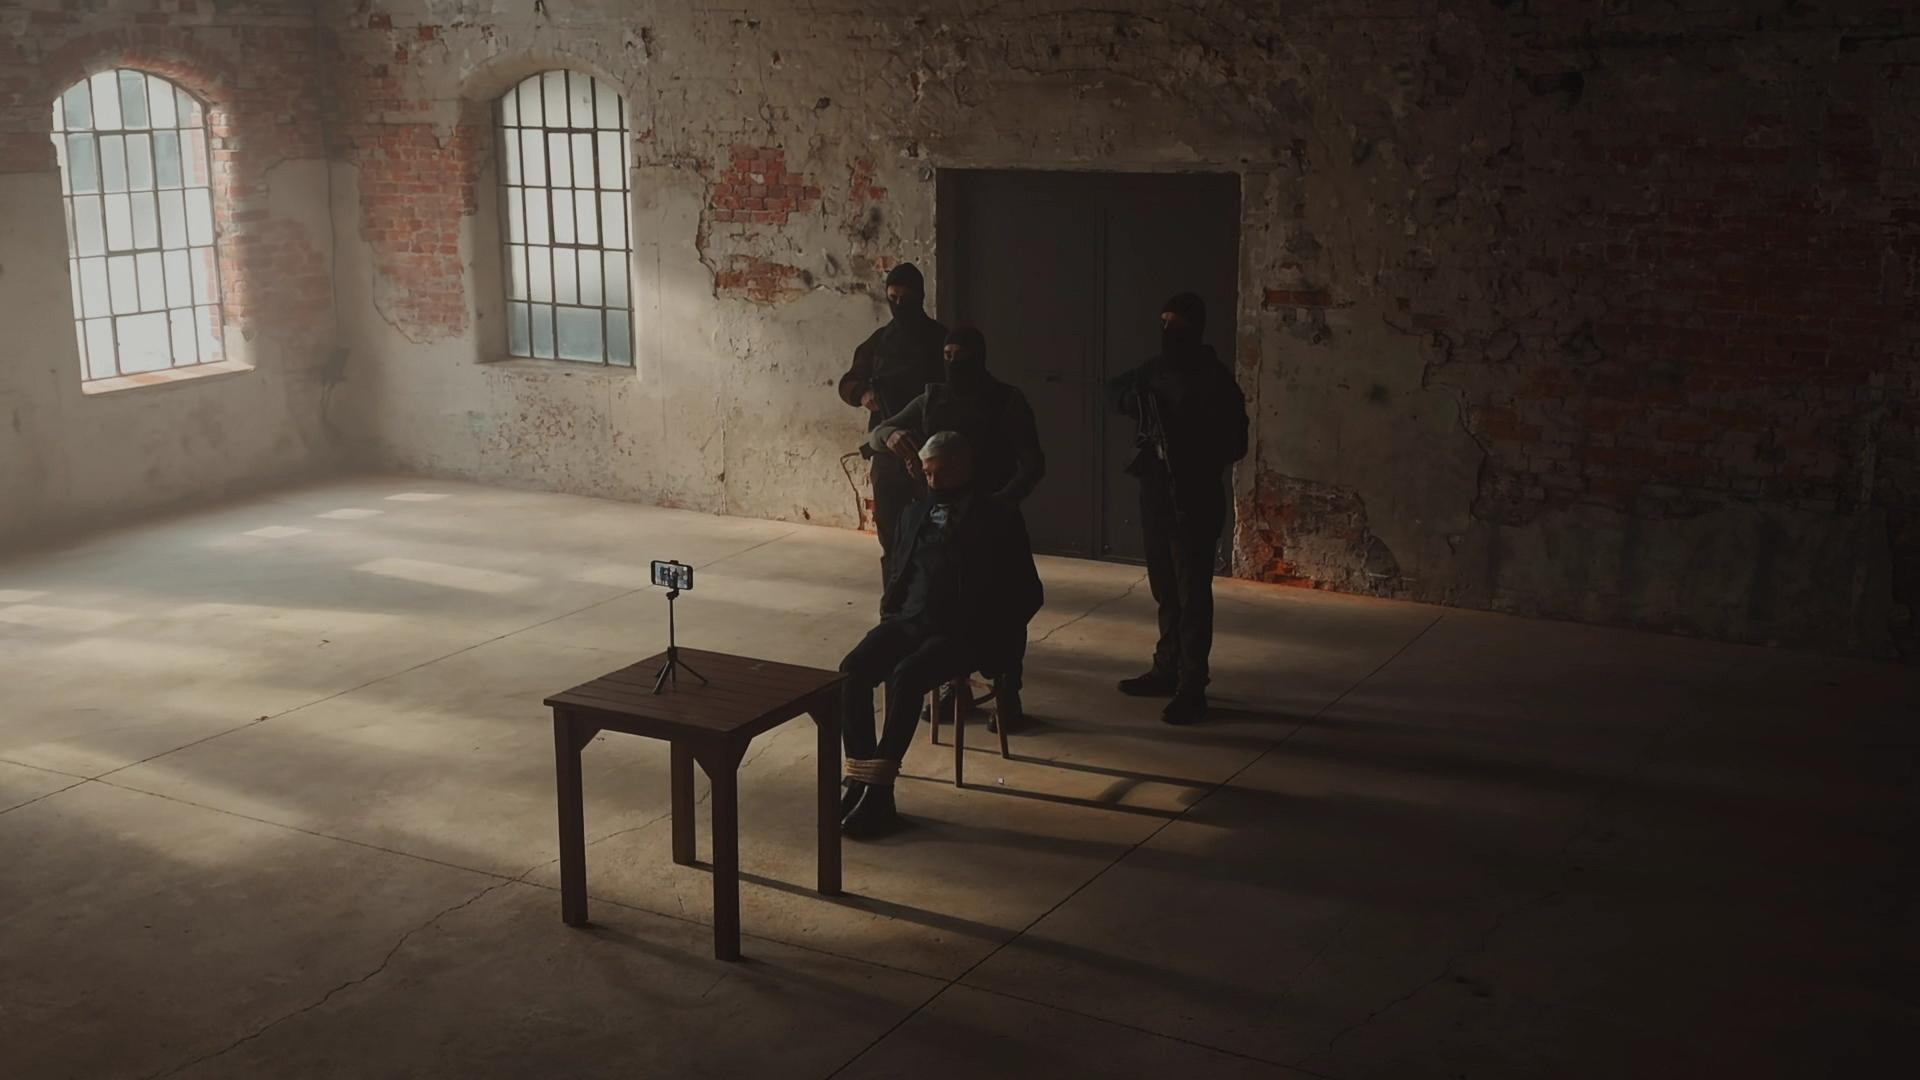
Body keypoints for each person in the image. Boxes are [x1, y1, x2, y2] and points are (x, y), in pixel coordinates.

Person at [837, 431, 1044, 838]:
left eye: (941, 473)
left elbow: (1028, 593)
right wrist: (891, 613)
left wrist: (995, 633)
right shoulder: (915, 512)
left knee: (907, 676)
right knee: (851, 670)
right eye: (927, 474)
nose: (932, 482)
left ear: (964, 467)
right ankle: (861, 777)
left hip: (964, 632)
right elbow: (899, 571)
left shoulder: (998, 517)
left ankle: (880, 793)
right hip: (908, 620)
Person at [868, 326, 1045, 727]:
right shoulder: (932, 399)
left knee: (1004, 600)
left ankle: (1008, 689)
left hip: (992, 520)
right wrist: (892, 435)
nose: (953, 365)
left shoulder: (1006, 400)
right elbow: (878, 433)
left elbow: (1033, 462)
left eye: (961, 358)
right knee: (941, 600)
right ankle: (953, 683)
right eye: (946, 356)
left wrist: (1001, 504)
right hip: (942, 519)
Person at [1106, 293, 1249, 724]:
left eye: (1176, 323)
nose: (1168, 330)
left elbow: (1235, 443)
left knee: (1192, 595)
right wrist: (1137, 402)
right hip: (1156, 496)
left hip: (1194, 497)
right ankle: (1166, 667)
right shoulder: (1155, 370)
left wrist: (1190, 442)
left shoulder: (1215, 380)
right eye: (1163, 321)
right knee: (1165, 589)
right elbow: (1114, 391)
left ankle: (1192, 684)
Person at [838, 262, 948, 587]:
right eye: (893, 298)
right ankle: (895, 600)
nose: (899, 305)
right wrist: (863, 394)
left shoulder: (939, 339)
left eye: (905, 299)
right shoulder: (880, 342)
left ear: (919, 297)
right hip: (887, 450)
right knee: (890, 534)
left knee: (935, 536)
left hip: (929, 448)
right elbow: (848, 382)